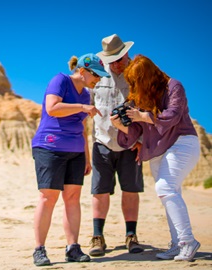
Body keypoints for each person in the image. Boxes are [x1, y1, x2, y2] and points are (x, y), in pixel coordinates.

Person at [111, 54, 201, 262]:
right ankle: (177, 243)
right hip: (159, 149)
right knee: (170, 192)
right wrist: (121, 125)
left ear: (148, 76)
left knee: (165, 188)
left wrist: (144, 116)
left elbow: (173, 116)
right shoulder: (139, 97)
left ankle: (188, 241)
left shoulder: (173, 86)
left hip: (182, 142)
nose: (134, 86)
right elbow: (133, 134)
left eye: (137, 81)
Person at [31, 53, 109, 266]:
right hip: (49, 146)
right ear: (82, 71)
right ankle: (39, 249)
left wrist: (86, 156)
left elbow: (82, 128)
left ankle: (72, 248)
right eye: (96, 75)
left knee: (72, 198)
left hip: (75, 151)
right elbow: (52, 108)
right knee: (48, 197)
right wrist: (82, 108)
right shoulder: (60, 80)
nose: (98, 80)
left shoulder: (85, 94)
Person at [88, 34, 144, 257]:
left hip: (131, 145)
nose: (117, 64)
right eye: (112, 60)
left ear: (127, 54)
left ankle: (131, 236)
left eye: (120, 59)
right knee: (100, 191)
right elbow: (88, 110)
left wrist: (141, 141)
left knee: (131, 190)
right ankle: (97, 237)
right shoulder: (97, 76)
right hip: (102, 142)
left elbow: (146, 111)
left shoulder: (137, 77)